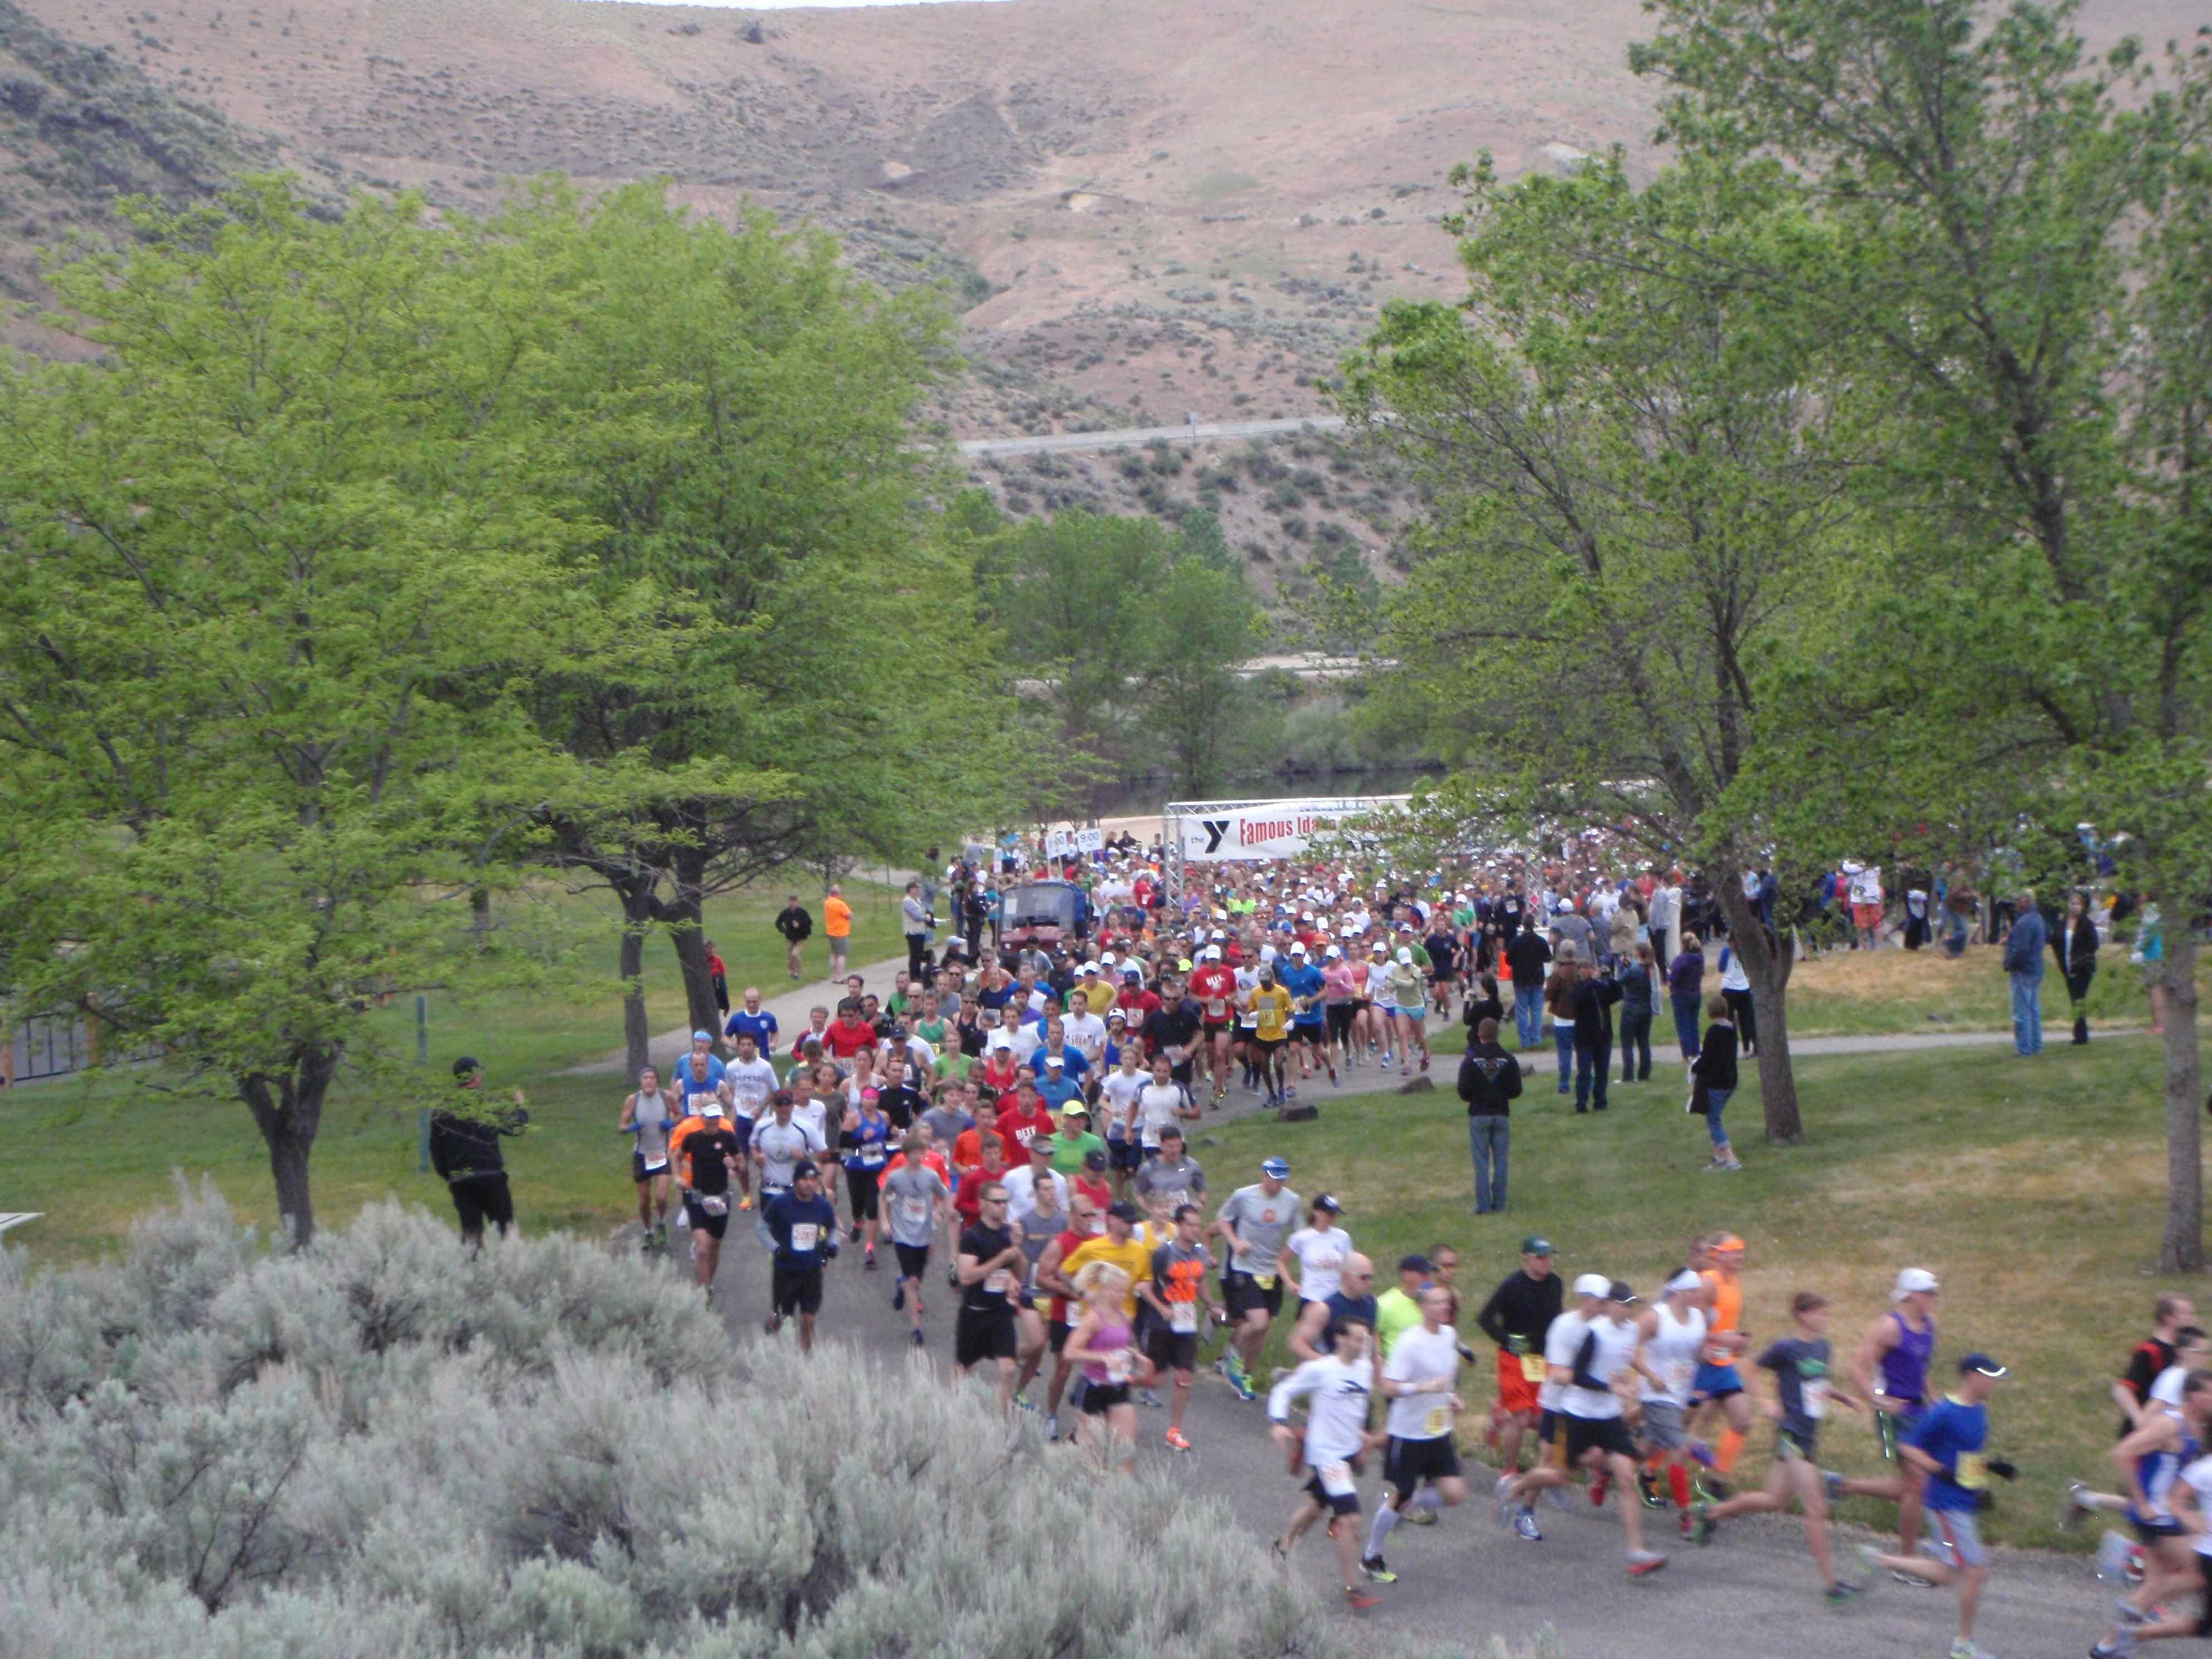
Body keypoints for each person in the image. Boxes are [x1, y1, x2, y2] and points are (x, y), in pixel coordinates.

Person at [1694, 1291, 1867, 1603]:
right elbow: (1746, 1367)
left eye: (1825, 1313)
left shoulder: (1822, 1347)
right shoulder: (1786, 1348)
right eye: (1818, 1313)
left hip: (1808, 1434)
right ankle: (1832, 1586)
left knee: (1773, 1499)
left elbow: (1818, 1383)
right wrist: (1764, 1401)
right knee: (1816, 1508)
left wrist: (1844, 1398)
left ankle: (1711, 1512)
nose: (1824, 1318)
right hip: (1792, 1434)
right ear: (1802, 1315)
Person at [1498, 1276, 1669, 1576]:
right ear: (1612, 1306)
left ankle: (1636, 1551)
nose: (1629, 1312)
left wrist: (1649, 1376)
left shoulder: (1630, 1331)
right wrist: (1612, 1389)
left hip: (1609, 1418)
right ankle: (1517, 1487)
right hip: (1578, 1415)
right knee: (1558, 1474)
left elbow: (1627, 1358)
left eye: (1632, 1306)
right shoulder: (1593, 1334)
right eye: (1624, 1306)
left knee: (1627, 1478)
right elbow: (1577, 1377)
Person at [1857, 1354, 2016, 1659]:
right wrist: (1939, 1471)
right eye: (1990, 1376)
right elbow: (1907, 1447)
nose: (1994, 1382)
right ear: (1971, 1376)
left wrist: (1989, 1473)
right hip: (1946, 1504)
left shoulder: (1979, 1411)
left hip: (1963, 1501)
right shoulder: (1943, 1412)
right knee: (1976, 1572)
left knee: (1950, 1572)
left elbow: (1965, 1458)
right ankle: (1963, 1646)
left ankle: (1879, 1560)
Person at [1268, 1312, 1387, 1613]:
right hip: (1326, 1455)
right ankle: (1353, 1588)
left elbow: (1359, 1406)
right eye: (1358, 1338)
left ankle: (1283, 1544)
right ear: (1340, 1338)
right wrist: (1279, 1423)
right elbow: (1284, 1390)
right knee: (1350, 1519)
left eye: (1366, 1339)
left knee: (1317, 1507)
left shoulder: (1363, 1369)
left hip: (1347, 1452)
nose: (1363, 1344)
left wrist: (1364, 1438)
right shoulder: (1321, 1369)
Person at [1360, 1284, 1470, 1585]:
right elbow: (1390, 1387)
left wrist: (1450, 1397)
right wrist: (1424, 1388)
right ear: (1423, 1307)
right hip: (1408, 1434)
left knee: (1455, 1493)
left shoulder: (1449, 1336)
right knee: (1402, 1497)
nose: (1443, 1308)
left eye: (1446, 1302)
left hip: (1438, 1431)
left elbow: (1444, 1380)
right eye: (1436, 1303)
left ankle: (1400, 1507)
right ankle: (1372, 1556)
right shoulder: (1410, 1343)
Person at [1212, 1156, 1301, 1401]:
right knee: (1258, 1321)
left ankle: (1244, 1374)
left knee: (1263, 1330)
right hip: (1245, 1268)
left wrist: (1289, 1261)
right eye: (1274, 1179)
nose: (1278, 1185)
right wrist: (1235, 1242)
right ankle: (1232, 1357)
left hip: (1271, 1270)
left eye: (1282, 1180)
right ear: (1264, 1176)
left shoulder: (1292, 1201)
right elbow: (1223, 1219)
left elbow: (1300, 1234)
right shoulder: (1243, 1196)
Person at [1139, 1203, 1223, 1451]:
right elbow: (1145, 1286)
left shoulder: (1200, 1253)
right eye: (1190, 1225)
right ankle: (1113, 1385)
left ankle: (1174, 1431)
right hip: (1162, 1323)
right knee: (1155, 1379)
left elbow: (1200, 1280)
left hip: (1186, 1323)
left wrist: (1209, 1305)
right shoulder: (1163, 1253)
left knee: (1185, 1376)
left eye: (1198, 1225)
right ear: (1178, 1226)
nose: (1195, 1230)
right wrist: (1161, 1308)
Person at [1477, 1238, 1563, 1478]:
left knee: (1543, 1419)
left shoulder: (1555, 1283)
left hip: (1542, 1360)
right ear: (1526, 1259)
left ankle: (1499, 1415)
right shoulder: (1512, 1286)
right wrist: (1508, 1341)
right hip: (1514, 1360)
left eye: (1549, 1257)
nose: (1547, 1263)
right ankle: (1510, 1470)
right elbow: (1485, 1319)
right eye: (1540, 1257)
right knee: (1522, 1418)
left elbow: (1557, 1319)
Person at [1063, 1260, 1153, 1471]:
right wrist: (1102, 1358)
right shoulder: (1093, 1319)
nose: (1122, 1297)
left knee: (1124, 1452)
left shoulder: (1124, 1316)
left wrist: (1138, 1356)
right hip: (1093, 1388)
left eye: (1125, 1292)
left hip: (1118, 1387)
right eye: (1117, 1292)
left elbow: (1120, 1344)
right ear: (1104, 1290)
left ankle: (1119, 1497)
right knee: (1093, 1457)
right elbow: (1070, 1351)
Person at [430, 1056, 527, 1249]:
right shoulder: (488, 1104)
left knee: (471, 1234)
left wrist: (450, 1176)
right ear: (475, 1076)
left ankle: (472, 1271)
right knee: (505, 1232)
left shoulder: (443, 1111)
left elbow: (437, 1152)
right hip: (492, 1177)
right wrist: (520, 1106)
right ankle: (510, 1269)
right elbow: (517, 1127)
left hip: (462, 1180)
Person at [954, 1180, 1026, 1414]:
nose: (1002, 1207)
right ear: (983, 1204)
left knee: (1008, 1369)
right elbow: (966, 1277)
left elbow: (1020, 1272)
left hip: (1000, 1313)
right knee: (962, 1367)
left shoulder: (1008, 1234)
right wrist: (1001, 1259)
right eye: (997, 1202)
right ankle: (955, 1411)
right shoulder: (972, 1237)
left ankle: (1001, 1418)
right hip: (975, 1312)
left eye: (1005, 1202)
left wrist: (1017, 1249)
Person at [668, 1087, 743, 1294]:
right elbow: (675, 1156)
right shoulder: (692, 1136)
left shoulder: (728, 1136)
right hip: (697, 1196)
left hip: (720, 1198)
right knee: (702, 1248)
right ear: (702, 1116)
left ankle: (708, 1282)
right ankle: (703, 1294)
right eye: (709, 1118)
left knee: (713, 1248)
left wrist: (733, 1166)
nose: (713, 1122)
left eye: (716, 1117)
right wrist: (678, 1177)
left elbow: (741, 1165)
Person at [881, 1131, 952, 1347]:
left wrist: (939, 1211)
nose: (919, 1156)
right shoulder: (896, 1177)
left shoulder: (931, 1176)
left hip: (925, 1232)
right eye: (914, 1152)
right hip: (902, 1233)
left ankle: (901, 1284)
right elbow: (882, 1197)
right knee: (913, 1282)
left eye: (922, 1152)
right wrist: (885, 1221)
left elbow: (944, 1194)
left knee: (916, 1278)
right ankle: (917, 1329)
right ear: (906, 1154)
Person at [761, 1160, 838, 1352]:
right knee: (784, 1318)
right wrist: (775, 1247)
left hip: (812, 1271)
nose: (809, 1183)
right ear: (796, 1181)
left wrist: (833, 1244)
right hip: (786, 1270)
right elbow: (762, 1228)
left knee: (808, 1318)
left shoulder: (822, 1205)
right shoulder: (781, 1203)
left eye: (813, 1179)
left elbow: (832, 1228)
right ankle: (774, 1322)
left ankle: (804, 1358)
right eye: (804, 1179)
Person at [1458, 1017, 1522, 1214]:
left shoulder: (1470, 1061)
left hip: (1479, 1114)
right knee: (1501, 1160)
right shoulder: (1509, 1060)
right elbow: (1516, 1090)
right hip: (1501, 1113)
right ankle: (1500, 1204)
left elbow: (1463, 1091)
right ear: (1497, 1034)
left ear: (1479, 1034)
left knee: (1481, 1161)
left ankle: (1484, 1205)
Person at [617, 1064, 676, 1254]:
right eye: (645, 1078)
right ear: (640, 1082)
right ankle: (648, 1230)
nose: (649, 1081)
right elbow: (622, 1126)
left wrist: (671, 1123)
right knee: (644, 1200)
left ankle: (661, 1222)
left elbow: (681, 1115)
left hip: (662, 1153)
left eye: (652, 1078)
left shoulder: (666, 1097)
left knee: (661, 1196)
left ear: (657, 1081)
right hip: (642, 1154)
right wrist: (631, 1128)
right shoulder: (633, 1100)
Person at [1689, 994, 1742, 1172]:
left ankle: (1730, 1159)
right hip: (1730, 1081)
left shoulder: (1714, 1033)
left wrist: (1695, 1068)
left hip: (1716, 1083)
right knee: (1714, 1116)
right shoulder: (1731, 1030)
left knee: (1714, 1121)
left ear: (1710, 1013)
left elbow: (1708, 1059)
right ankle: (1719, 1157)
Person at [1570, 956, 1622, 1114]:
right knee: (1585, 1072)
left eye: (1589, 967)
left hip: (1603, 1036)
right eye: (1583, 968)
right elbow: (1580, 999)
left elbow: (1618, 994)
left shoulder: (1600, 988)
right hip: (1585, 1037)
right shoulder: (1577, 988)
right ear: (1579, 973)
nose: (1587, 971)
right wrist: (1592, 981)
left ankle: (1600, 1101)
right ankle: (1581, 1103)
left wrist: (1610, 979)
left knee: (1602, 1072)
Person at [2003, 886, 2047, 1056]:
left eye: (2018, 900)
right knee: (2034, 1009)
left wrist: (2009, 963)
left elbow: (2021, 950)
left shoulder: (2024, 922)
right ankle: (2036, 1045)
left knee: (2022, 1012)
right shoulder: (2037, 919)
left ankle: (2024, 1048)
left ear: (2026, 901)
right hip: (2036, 968)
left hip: (2023, 970)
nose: (2015, 903)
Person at [2056, 890, 2101, 1045]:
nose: (2075, 907)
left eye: (2078, 904)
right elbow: (2056, 941)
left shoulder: (2086, 924)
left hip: (2083, 967)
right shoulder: (2063, 924)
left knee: (2078, 998)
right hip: (2068, 967)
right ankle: (2079, 1031)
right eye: (2072, 903)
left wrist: (2081, 958)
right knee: (2074, 999)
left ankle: (2081, 1035)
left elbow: (2094, 945)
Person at [1505, 924, 1552, 1051]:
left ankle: (1524, 1042)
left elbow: (1508, 960)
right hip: (1537, 979)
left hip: (1520, 980)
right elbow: (1548, 958)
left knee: (1522, 1012)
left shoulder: (1516, 942)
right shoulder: (1540, 941)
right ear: (1533, 926)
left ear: (1524, 926)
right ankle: (1536, 1039)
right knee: (1537, 1011)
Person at [1618, 942, 1656, 1083]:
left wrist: (1623, 966)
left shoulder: (1635, 971)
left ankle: (1628, 1076)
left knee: (1627, 1043)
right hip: (1646, 1008)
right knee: (1644, 1042)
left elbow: (1621, 980)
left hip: (1631, 1008)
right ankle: (1644, 1074)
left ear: (1638, 953)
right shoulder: (1650, 969)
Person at [1667, 932, 1705, 1063]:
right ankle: (1696, 1052)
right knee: (1693, 1023)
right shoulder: (1700, 959)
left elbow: (1673, 978)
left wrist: (1669, 975)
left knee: (1683, 1025)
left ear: (1683, 945)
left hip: (1681, 994)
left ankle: (1686, 1055)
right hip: (1696, 993)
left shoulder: (1681, 960)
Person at [722, 985, 778, 1058]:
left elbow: (775, 1032)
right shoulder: (737, 1019)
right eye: (748, 1002)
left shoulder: (768, 1018)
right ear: (745, 1001)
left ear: (760, 1000)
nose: (751, 1005)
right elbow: (725, 1037)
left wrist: (773, 1042)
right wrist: (732, 1045)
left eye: (754, 1002)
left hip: (764, 1059)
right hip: (744, 1060)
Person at [775, 894, 812, 981]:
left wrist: (799, 925)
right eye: (792, 901)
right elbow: (778, 923)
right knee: (790, 956)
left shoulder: (803, 912)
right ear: (789, 902)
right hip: (790, 937)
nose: (794, 903)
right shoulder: (786, 912)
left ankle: (798, 973)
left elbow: (809, 923)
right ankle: (792, 972)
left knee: (795, 954)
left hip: (800, 937)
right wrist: (783, 930)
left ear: (798, 902)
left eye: (795, 901)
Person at [901, 880, 932, 979]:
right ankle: (914, 975)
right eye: (916, 888)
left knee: (919, 954)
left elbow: (922, 911)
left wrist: (927, 915)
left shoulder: (917, 900)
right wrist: (926, 918)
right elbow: (916, 916)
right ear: (911, 890)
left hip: (920, 931)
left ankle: (918, 973)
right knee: (915, 955)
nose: (918, 890)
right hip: (913, 932)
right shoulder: (907, 901)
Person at [823, 884, 853, 978]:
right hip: (841, 933)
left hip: (831, 932)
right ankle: (840, 977)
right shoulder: (840, 904)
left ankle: (834, 975)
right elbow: (850, 915)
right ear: (837, 893)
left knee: (834, 954)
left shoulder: (827, 902)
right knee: (841, 955)